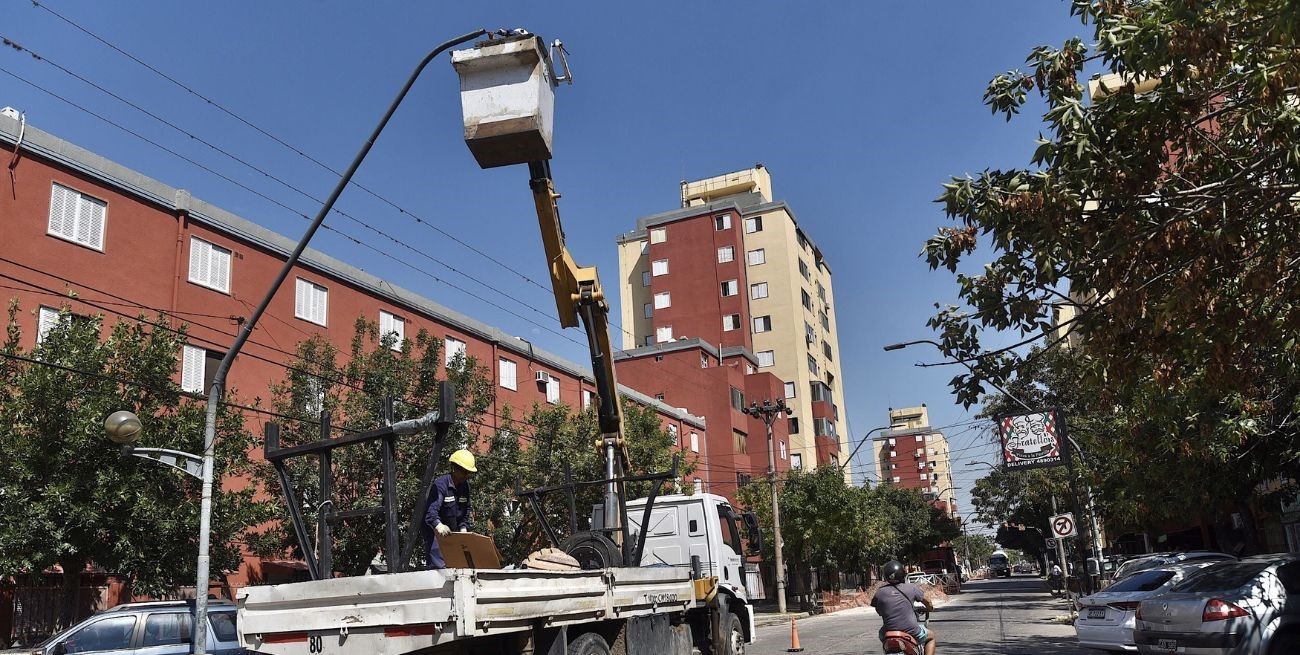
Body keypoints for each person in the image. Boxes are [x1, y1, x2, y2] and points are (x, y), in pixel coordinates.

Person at [422, 449, 476, 569]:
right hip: (435, 532)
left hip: (453, 531)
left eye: (468, 473)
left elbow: (465, 511)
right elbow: (431, 512)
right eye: (464, 472)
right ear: (454, 468)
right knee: (439, 566)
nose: (466, 475)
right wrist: (439, 526)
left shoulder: (464, 487)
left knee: (457, 565)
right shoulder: (441, 485)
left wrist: (463, 528)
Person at [872, 560, 936, 655]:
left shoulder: (879, 592)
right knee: (931, 637)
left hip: (889, 632)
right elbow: (927, 602)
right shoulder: (911, 588)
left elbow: (879, 611)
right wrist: (930, 608)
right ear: (902, 574)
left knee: (882, 635)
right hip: (912, 631)